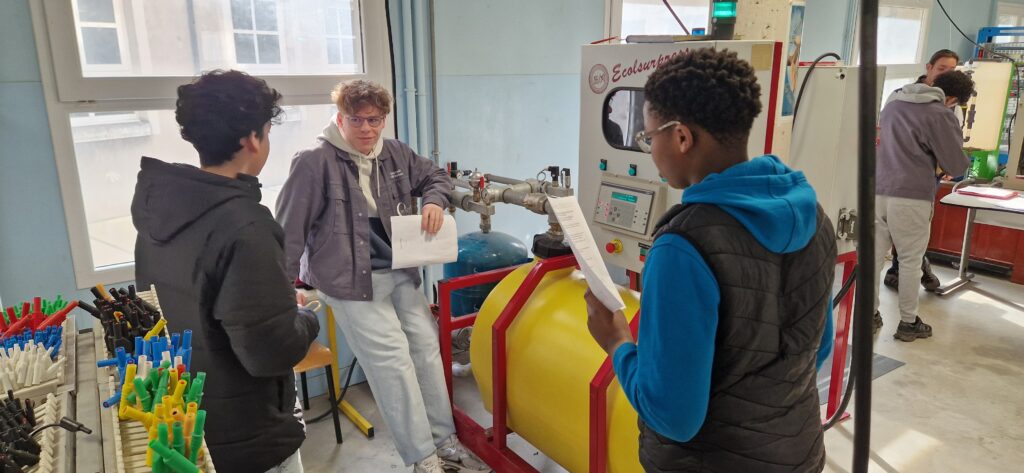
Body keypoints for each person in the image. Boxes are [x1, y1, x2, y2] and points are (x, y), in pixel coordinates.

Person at [584, 48, 836, 472]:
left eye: (649, 137)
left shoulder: (683, 246)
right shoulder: (813, 217)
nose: (650, 150)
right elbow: (819, 347)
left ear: (681, 137)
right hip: (799, 454)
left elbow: (673, 417)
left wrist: (617, 343)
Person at [275, 80, 490, 473]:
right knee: (393, 363)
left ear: (384, 119)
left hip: (398, 270)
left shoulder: (395, 153)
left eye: (374, 120)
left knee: (426, 349)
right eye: (356, 119)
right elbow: (289, 230)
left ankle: (445, 441)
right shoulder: (314, 161)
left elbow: (436, 176)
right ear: (340, 118)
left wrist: (434, 201)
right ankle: (422, 458)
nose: (366, 129)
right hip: (348, 281)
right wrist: (284, 291)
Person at [132, 70, 320, 473]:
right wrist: (303, 316)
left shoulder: (161, 209)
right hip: (249, 433)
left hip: (189, 417)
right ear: (252, 139)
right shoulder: (246, 226)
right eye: (267, 131)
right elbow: (271, 352)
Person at [874, 70, 974, 341]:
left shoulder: (893, 104)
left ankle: (869, 315)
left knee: (873, 258)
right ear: (952, 99)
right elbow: (955, 165)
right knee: (910, 261)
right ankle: (908, 322)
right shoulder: (940, 114)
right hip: (912, 196)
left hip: (878, 190)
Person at [882, 49, 963, 293]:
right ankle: (909, 269)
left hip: (927, 176)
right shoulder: (900, 96)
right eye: (941, 69)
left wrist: (946, 166)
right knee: (899, 228)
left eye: (951, 70)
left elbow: (953, 146)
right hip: (892, 175)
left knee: (914, 229)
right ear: (929, 67)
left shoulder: (953, 105)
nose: (945, 74)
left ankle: (908, 266)